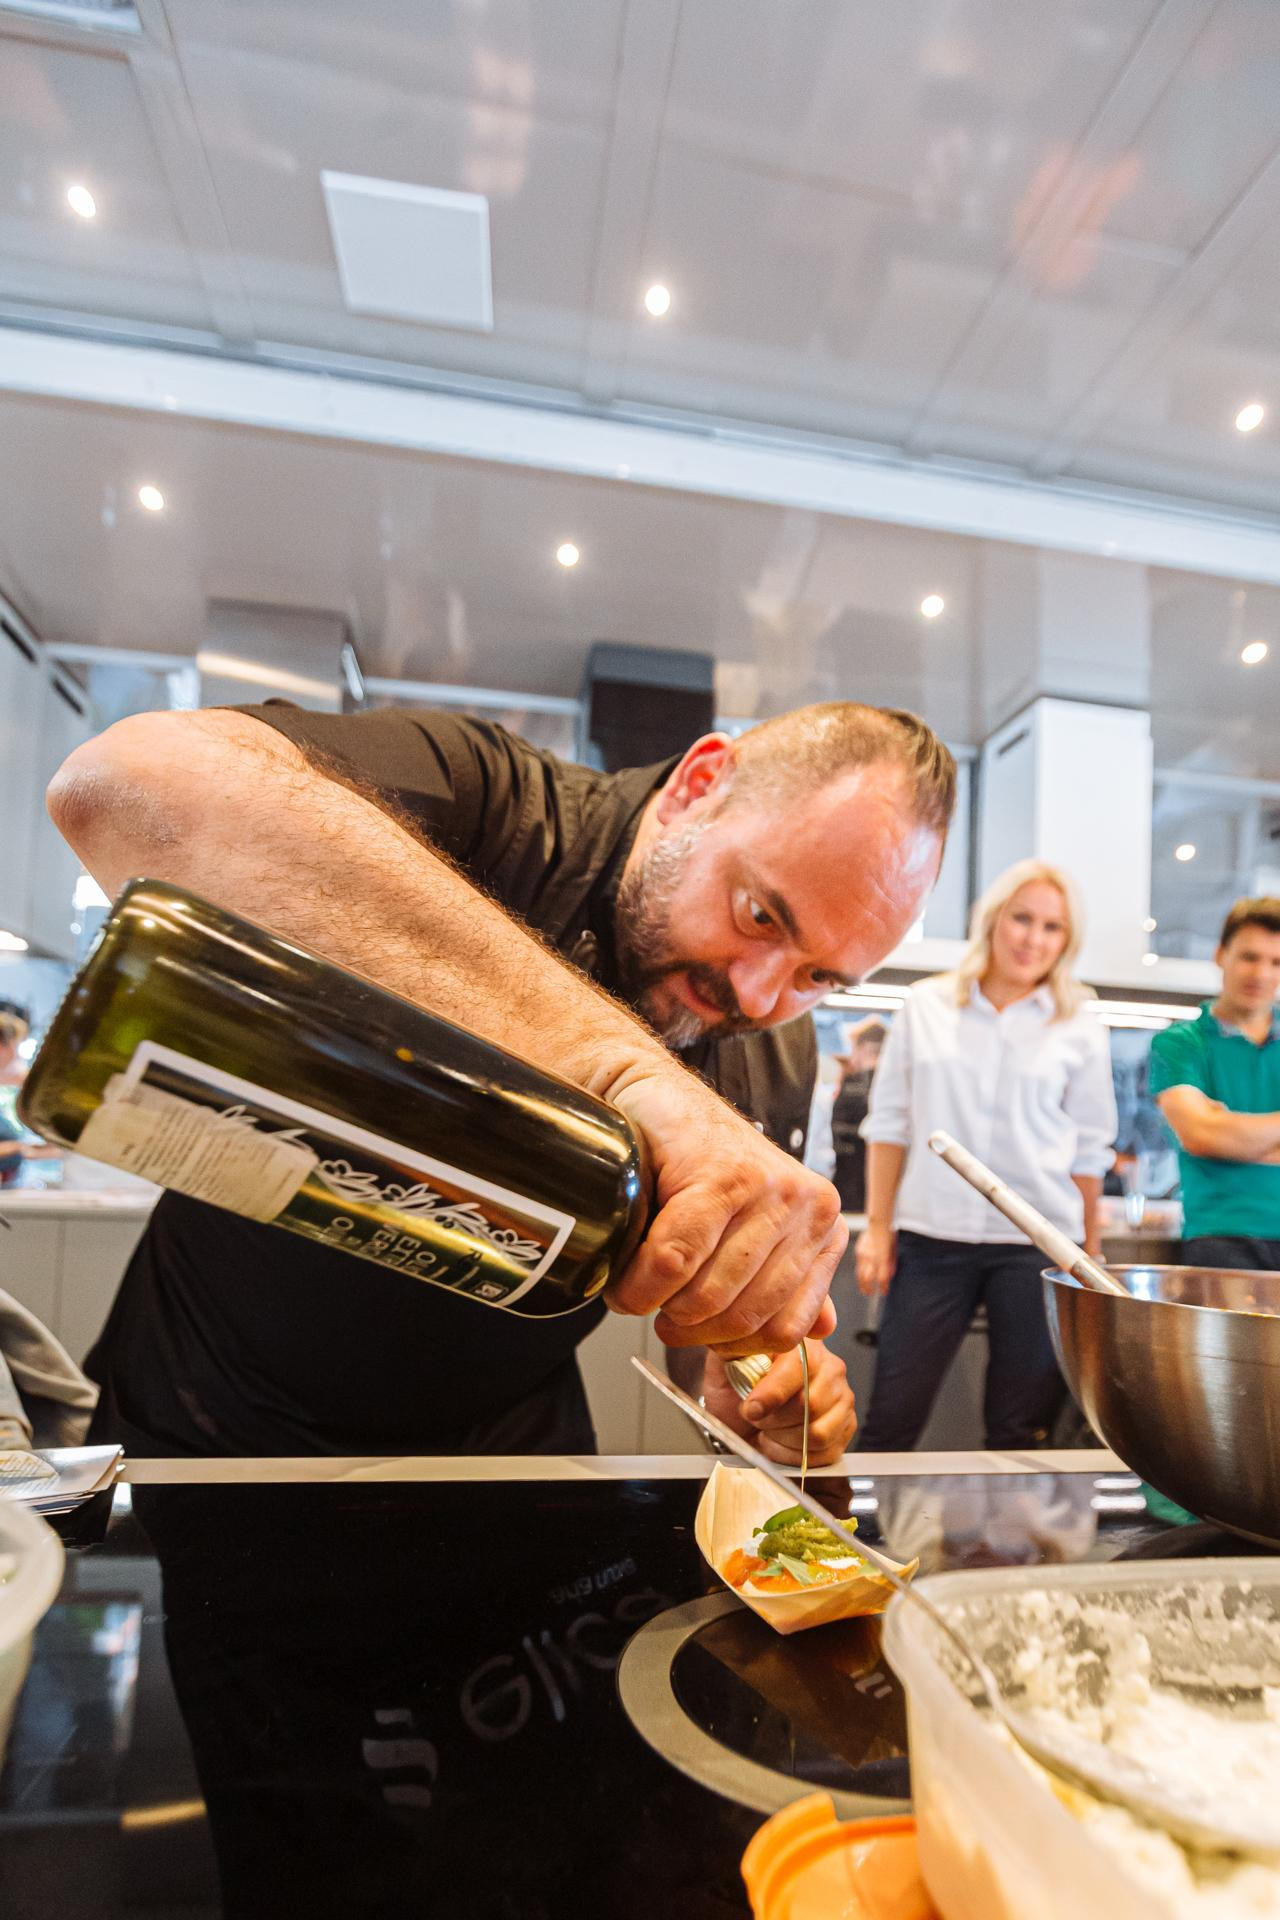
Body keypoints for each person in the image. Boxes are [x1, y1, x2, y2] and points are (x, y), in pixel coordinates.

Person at [46, 699, 954, 1462]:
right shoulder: (497, 805)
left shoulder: (775, 1054)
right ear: (696, 786)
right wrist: (622, 1067)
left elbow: (703, 1324)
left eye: (819, 979)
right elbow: (121, 783)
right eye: (758, 914)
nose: (755, 995)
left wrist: (752, 1385)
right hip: (223, 1420)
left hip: (510, 1441)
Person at [854, 859, 1117, 1451]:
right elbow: (890, 1124)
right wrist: (876, 1227)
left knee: (1020, 1430)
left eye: (1052, 927)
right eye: (1022, 918)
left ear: (1066, 942)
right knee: (890, 1419)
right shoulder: (926, 1005)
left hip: (1038, 1245)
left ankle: (1011, 1547)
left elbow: (1088, 1151)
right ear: (993, 919)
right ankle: (854, 1542)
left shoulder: (1079, 1024)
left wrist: (1089, 1256)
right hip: (931, 1237)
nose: (1033, 938)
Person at [1150, 896, 1280, 1270]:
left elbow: (1216, 1134)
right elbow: (1200, 1134)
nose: (1261, 974)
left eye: (1276, 962)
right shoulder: (1179, 1044)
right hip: (1221, 1237)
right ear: (1220, 954)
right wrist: (1215, 1133)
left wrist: (1233, 1131)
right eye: (1249, 957)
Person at [830, 1020, 887, 1213]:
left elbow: (833, 1135)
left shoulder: (853, 1084)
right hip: (884, 1191)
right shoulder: (897, 1086)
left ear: (863, 1048)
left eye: (853, 1048)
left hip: (849, 1188)